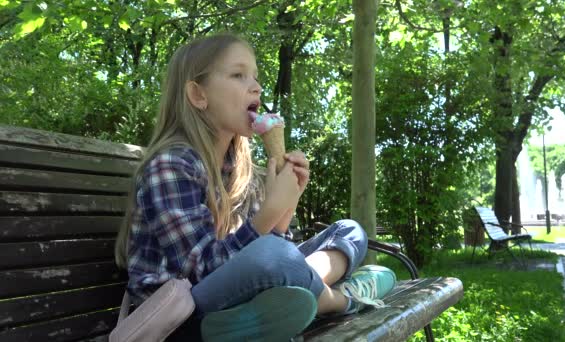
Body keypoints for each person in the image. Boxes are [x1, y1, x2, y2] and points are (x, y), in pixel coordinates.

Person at [114, 33, 397, 341]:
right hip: (179, 319)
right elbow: (204, 270)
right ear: (198, 95)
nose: (257, 87)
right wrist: (270, 211)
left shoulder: (236, 167)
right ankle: (339, 300)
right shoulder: (171, 165)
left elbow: (264, 248)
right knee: (277, 256)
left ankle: (267, 312)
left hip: (233, 290)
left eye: (255, 77)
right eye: (238, 75)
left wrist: (286, 206)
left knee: (349, 231)